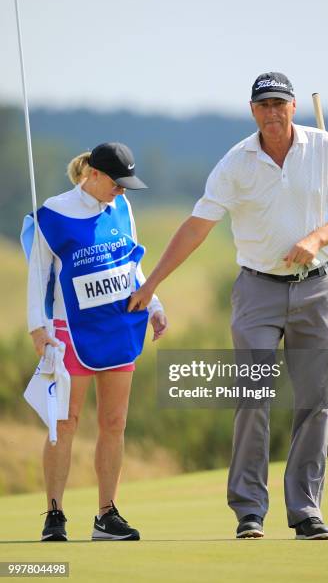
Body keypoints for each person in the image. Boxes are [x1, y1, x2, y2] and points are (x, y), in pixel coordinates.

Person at [127, 72, 328, 540]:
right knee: (253, 396)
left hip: (319, 286)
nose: (272, 112)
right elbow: (197, 226)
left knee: (316, 401)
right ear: (252, 110)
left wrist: (317, 237)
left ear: (294, 106)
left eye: (280, 103)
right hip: (258, 289)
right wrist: (152, 281)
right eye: (264, 105)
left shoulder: (325, 148)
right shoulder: (236, 162)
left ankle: (306, 510)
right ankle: (249, 510)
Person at [24, 142, 167, 542]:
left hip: (119, 326)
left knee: (114, 422)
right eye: (117, 184)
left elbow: (130, 263)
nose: (121, 192)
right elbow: (37, 277)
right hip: (70, 333)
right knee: (64, 424)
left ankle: (107, 515)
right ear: (95, 175)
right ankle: (54, 513)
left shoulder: (120, 208)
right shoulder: (52, 214)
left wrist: (153, 303)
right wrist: (38, 327)